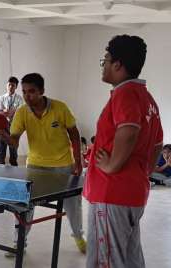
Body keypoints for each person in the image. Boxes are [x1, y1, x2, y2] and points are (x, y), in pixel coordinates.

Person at [84, 35, 163, 268]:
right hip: (132, 192)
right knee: (129, 259)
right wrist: (142, 172)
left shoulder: (124, 93)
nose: (103, 65)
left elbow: (128, 130)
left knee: (106, 261)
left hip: (112, 192)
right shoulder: (147, 98)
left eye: (105, 60)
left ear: (117, 64)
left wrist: (112, 166)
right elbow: (158, 143)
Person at [0, 73, 86, 255]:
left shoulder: (60, 108)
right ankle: (19, 242)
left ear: (42, 91)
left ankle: (78, 236)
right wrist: (5, 137)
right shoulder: (22, 112)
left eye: (32, 92)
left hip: (63, 164)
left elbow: (75, 134)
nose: (27, 96)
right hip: (36, 165)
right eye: (24, 92)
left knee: (72, 204)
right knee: (24, 203)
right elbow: (14, 141)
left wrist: (79, 162)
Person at [0, 76, 24, 166]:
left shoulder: (19, 99)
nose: (11, 87)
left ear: (16, 87)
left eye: (13, 85)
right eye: (9, 85)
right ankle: (0, 166)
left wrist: (11, 112)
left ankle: (14, 166)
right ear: (7, 85)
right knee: (1, 148)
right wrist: (6, 112)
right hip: (2, 126)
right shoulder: (2, 98)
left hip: (14, 126)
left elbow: (20, 113)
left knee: (13, 148)